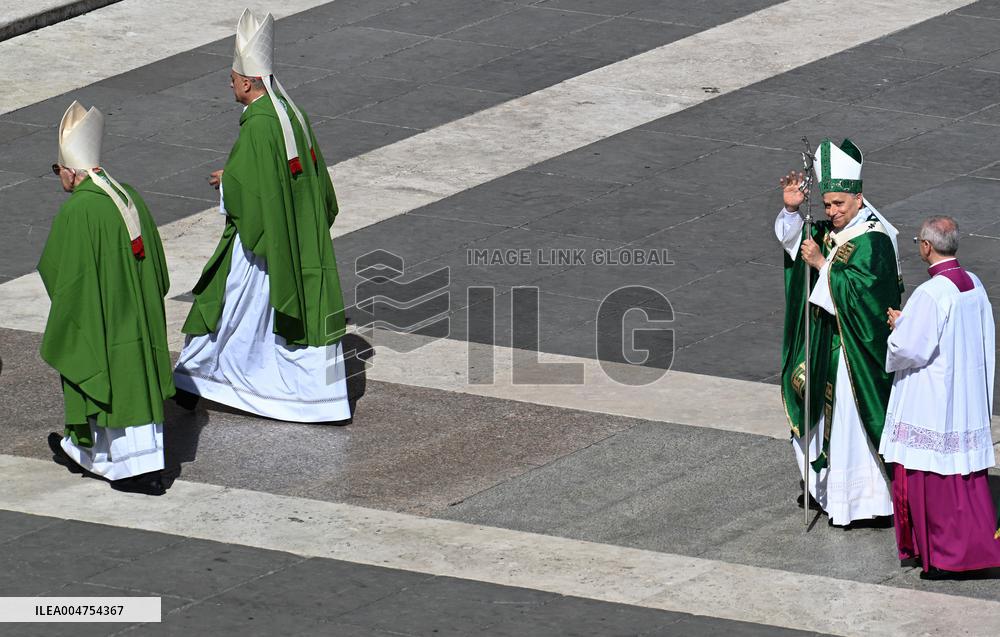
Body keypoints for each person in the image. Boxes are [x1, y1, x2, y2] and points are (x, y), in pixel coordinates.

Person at [173, 8, 353, 423]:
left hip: (262, 244)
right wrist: (237, 175)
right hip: (298, 238)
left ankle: (198, 383)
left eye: (233, 78)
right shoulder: (292, 113)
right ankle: (192, 383)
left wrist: (228, 184)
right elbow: (308, 178)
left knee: (228, 307)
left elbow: (252, 194)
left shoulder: (257, 124)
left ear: (250, 83)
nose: (230, 83)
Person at [40, 101, 174, 495]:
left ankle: (129, 469)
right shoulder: (127, 195)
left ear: (71, 170)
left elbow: (60, 273)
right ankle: (97, 455)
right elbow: (158, 269)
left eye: (57, 169)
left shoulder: (79, 211)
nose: (58, 176)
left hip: (106, 319)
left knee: (107, 376)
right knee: (135, 382)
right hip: (137, 314)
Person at [776, 138, 902, 526]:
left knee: (851, 420)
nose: (831, 213)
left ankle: (867, 503)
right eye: (827, 204)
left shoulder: (875, 239)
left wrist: (824, 265)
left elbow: (866, 296)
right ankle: (826, 489)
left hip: (856, 352)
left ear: (859, 198)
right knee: (811, 401)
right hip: (829, 341)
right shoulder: (839, 227)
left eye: (839, 205)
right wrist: (792, 210)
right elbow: (798, 244)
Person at [881, 216, 1000, 578]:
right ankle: (973, 549)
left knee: (933, 478)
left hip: (934, 401)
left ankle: (946, 558)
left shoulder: (931, 293)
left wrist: (899, 326)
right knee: (964, 479)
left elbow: (910, 349)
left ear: (927, 247)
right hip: (963, 395)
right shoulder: (973, 284)